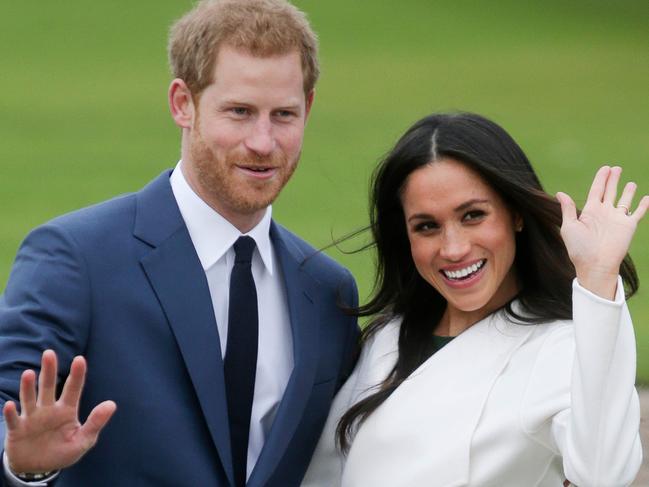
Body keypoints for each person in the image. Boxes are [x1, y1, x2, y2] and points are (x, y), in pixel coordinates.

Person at [0, 1, 359, 486]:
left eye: (283, 115)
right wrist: (23, 464)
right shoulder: (75, 257)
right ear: (182, 103)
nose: (262, 141)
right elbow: (10, 414)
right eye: (239, 111)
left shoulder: (329, 292)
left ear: (308, 108)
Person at [302, 112, 646, 487]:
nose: (453, 248)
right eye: (427, 226)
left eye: (473, 215)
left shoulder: (561, 346)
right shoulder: (388, 335)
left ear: (515, 214)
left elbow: (604, 473)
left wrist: (597, 278)